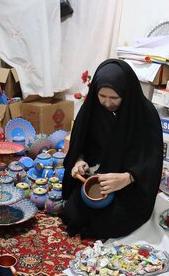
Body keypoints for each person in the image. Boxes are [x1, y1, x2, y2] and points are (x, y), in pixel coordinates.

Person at [60, 59, 163, 239]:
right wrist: (79, 161)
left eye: (114, 98)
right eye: (102, 96)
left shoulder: (144, 114)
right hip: (97, 178)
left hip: (130, 183)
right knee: (73, 213)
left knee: (111, 221)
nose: (107, 103)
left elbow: (151, 161)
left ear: (126, 92)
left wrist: (126, 178)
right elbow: (80, 144)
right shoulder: (93, 107)